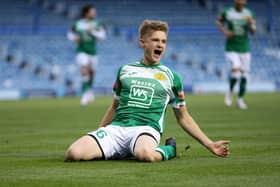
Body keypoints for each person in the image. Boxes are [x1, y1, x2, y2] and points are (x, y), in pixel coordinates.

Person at [65, 20, 230, 162]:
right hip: (117, 129)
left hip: (146, 129)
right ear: (142, 42)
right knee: (74, 153)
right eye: (155, 40)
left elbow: (183, 116)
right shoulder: (125, 70)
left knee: (145, 154)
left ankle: (169, 149)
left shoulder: (172, 77)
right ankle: (125, 150)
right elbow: (114, 107)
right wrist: (100, 130)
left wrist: (209, 144)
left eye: (164, 41)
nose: (160, 45)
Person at [217, 0, 256, 109]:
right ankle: (229, 93)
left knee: (244, 76)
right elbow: (219, 22)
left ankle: (240, 100)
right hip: (231, 48)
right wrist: (225, 31)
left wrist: (252, 24)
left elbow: (253, 32)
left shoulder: (249, 13)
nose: (241, 2)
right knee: (236, 72)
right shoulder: (227, 12)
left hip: (244, 48)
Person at [67, 4, 106, 106]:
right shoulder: (78, 23)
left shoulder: (97, 23)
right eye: (92, 11)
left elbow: (102, 36)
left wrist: (92, 32)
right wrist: (74, 38)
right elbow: (70, 34)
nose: (94, 13)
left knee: (92, 73)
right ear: (86, 13)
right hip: (81, 51)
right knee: (84, 69)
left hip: (93, 52)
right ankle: (85, 94)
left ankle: (89, 90)